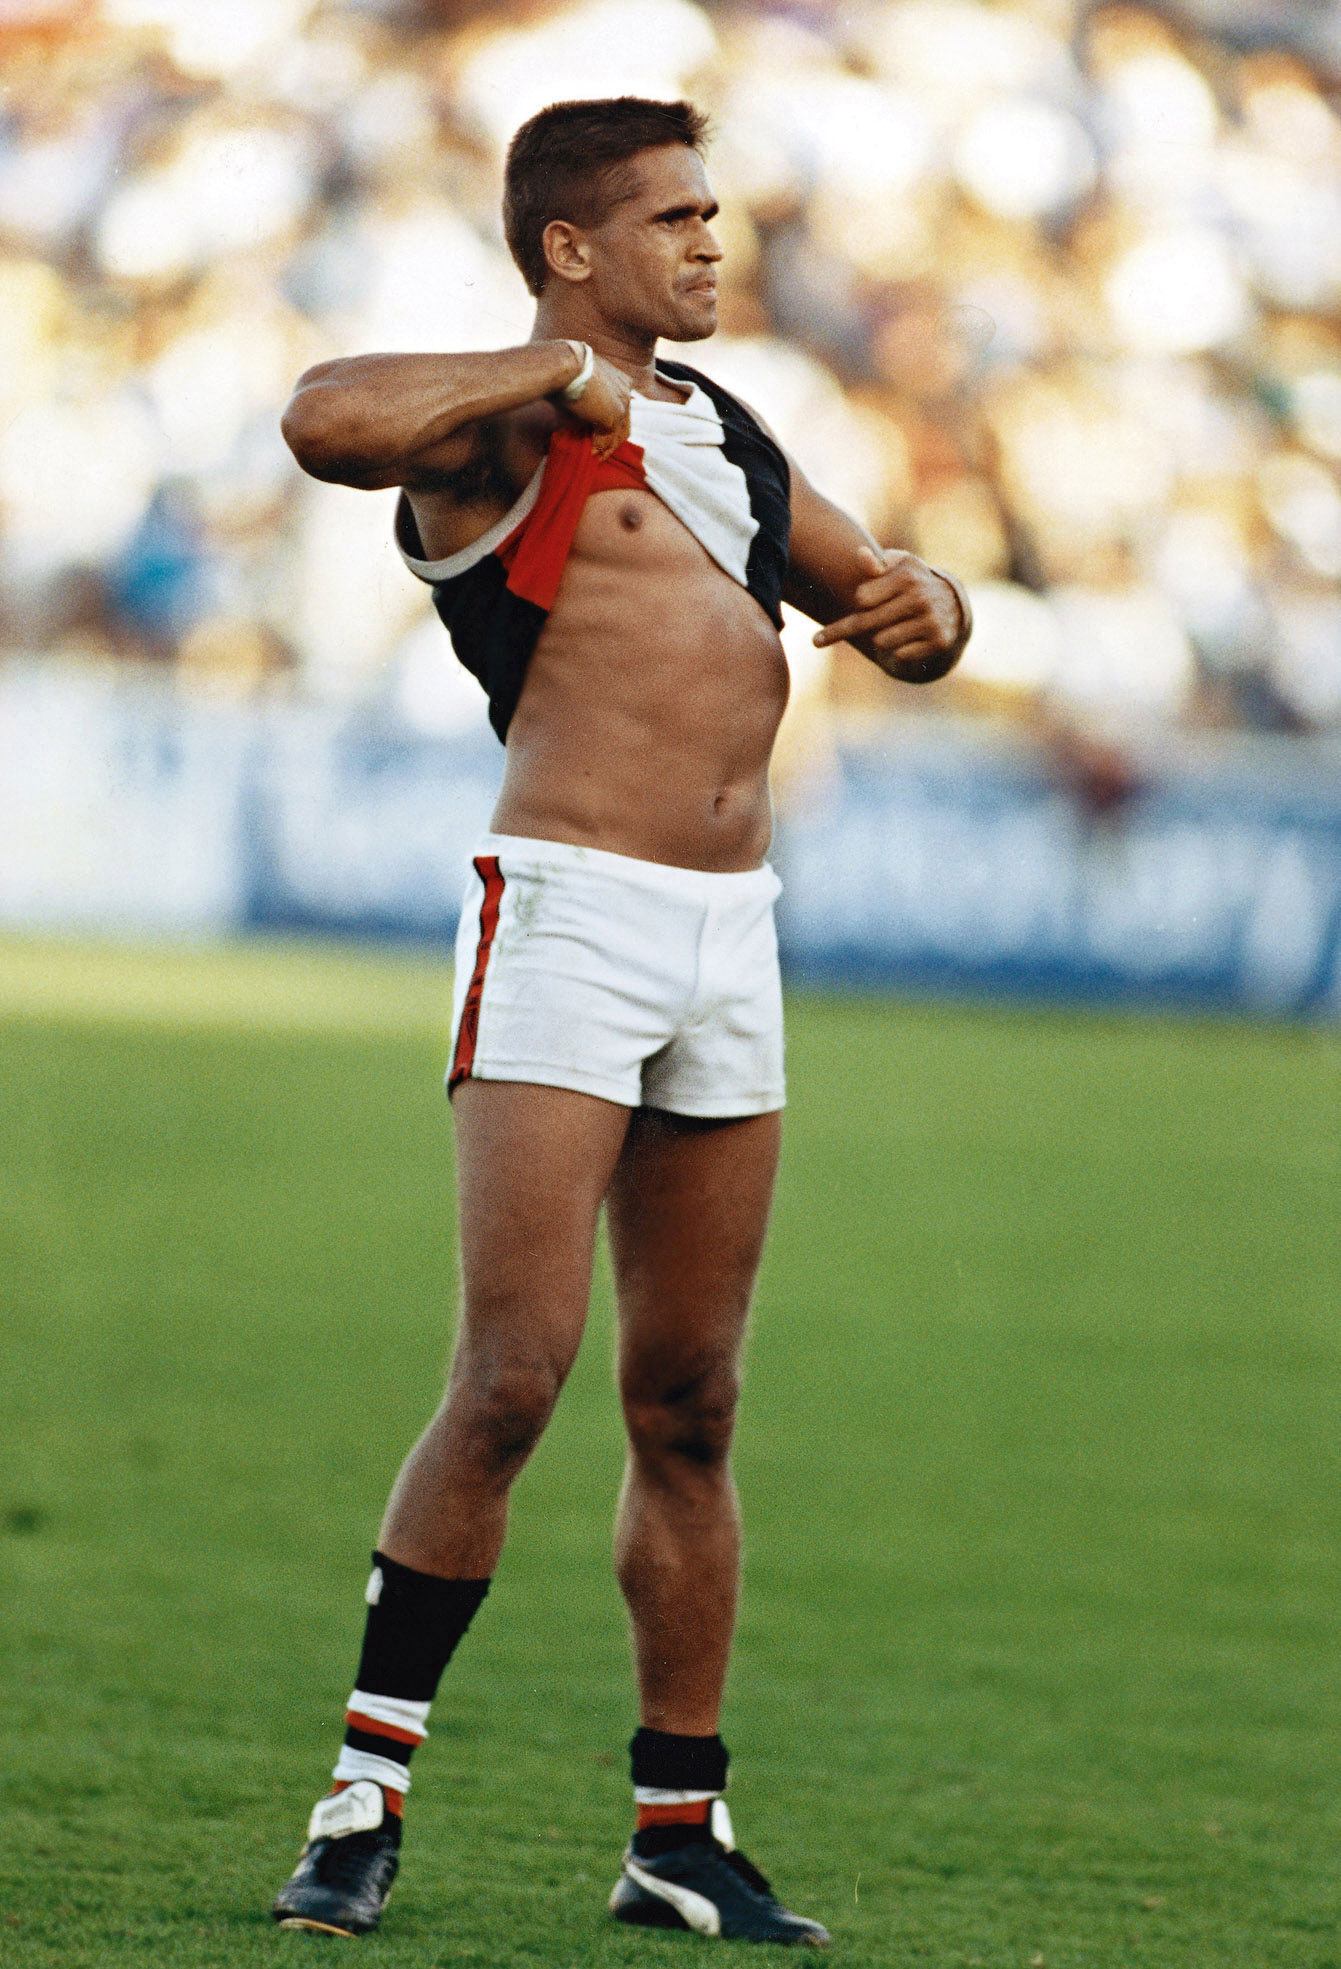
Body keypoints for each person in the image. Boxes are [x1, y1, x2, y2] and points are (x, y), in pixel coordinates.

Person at [271, 95, 972, 1947]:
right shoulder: (507, 419)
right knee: (509, 1376)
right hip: (568, 911)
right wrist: (544, 374)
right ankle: (361, 1798)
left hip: (730, 932)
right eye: (670, 218)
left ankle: (679, 1832)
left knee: (693, 1398)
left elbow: (886, 588)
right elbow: (318, 417)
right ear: (573, 246)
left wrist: (932, 612)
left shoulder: (725, 430)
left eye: (711, 213)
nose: (710, 242)